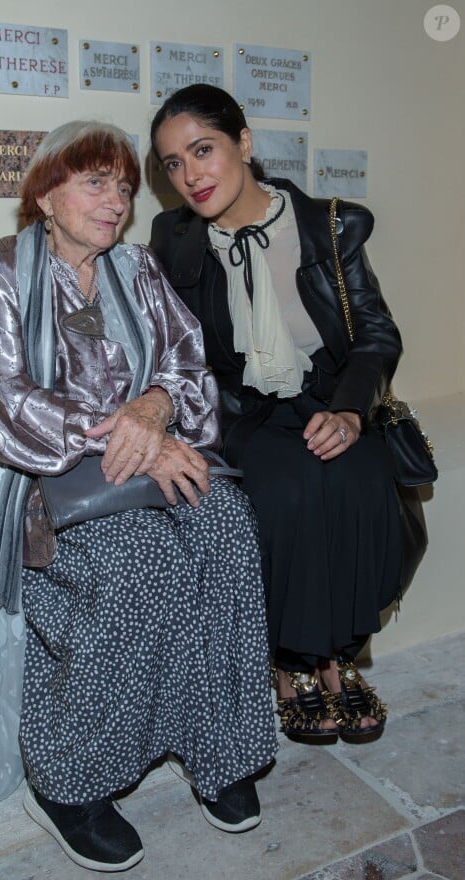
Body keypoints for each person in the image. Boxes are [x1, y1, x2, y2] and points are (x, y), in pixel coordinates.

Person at [0, 121, 278, 873]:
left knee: (227, 529)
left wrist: (153, 413)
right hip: (37, 471)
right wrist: (123, 425)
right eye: (96, 183)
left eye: (123, 186)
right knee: (137, 564)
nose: (116, 200)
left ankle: (218, 747)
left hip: (137, 459)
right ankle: (69, 782)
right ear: (47, 193)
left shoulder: (137, 269)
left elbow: (188, 364)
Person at [150, 85, 404, 746]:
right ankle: (293, 668)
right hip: (243, 409)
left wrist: (350, 412)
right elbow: (171, 347)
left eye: (202, 150)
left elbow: (377, 336)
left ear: (245, 144)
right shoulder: (175, 240)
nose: (190, 175)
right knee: (286, 493)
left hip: (329, 394)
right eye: (173, 164)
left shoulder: (329, 224)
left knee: (358, 481)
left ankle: (335, 655)